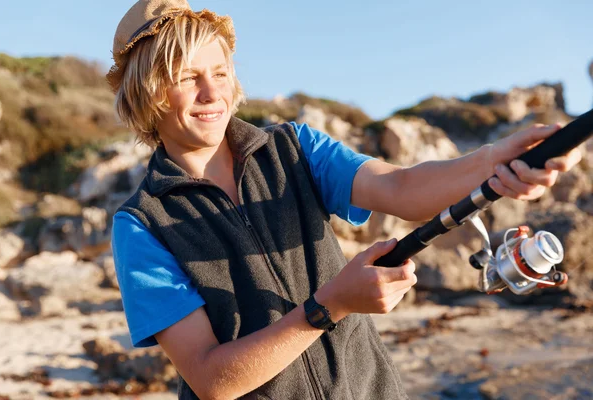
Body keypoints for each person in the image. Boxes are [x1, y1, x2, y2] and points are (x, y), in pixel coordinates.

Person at [108, 1, 582, 399]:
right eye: (188, 77)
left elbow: (402, 189)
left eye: (220, 71)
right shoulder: (141, 224)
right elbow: (212, 379)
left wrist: (490, 161)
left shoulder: (293, 147)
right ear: (145, 92)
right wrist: (329, 305)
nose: (213, 92)